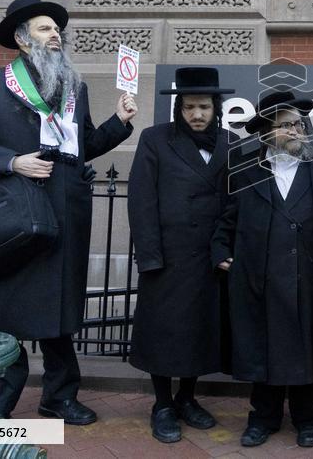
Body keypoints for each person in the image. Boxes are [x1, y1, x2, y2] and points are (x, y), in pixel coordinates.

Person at [0, 0, 136, 422]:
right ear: (21, 39)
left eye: (57, 29)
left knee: (61, 305)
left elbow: (84, 147)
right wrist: (13, 161)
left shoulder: (76, 88)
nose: (55, 35)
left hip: (67, 212)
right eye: (44, 28)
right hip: (16, 213)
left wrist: (120, 122)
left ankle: (59, 396)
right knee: (10, 308)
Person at [210, 90, 313, 449]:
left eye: (299, 124)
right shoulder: (245, 170)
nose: (296, 131)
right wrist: (220, 249)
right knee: (264, 346)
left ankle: (308, 417)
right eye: (287, 126)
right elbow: (227, 218)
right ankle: (264, 416)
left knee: (309, 345)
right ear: (265, 133)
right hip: (261, 279)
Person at [127, 67, 234, 443]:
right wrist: (150, 256)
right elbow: (141, 201)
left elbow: (234, 204)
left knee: (200, 332)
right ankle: (162, 404)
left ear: (215, 107)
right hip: (168, 258)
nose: (197, 114)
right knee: (165, 334)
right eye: (189, 107)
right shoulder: (155, 139)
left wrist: (224, 249)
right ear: (179, 109)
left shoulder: (229, 142)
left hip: (208, 258)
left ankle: (187, 397)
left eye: (204, 106)